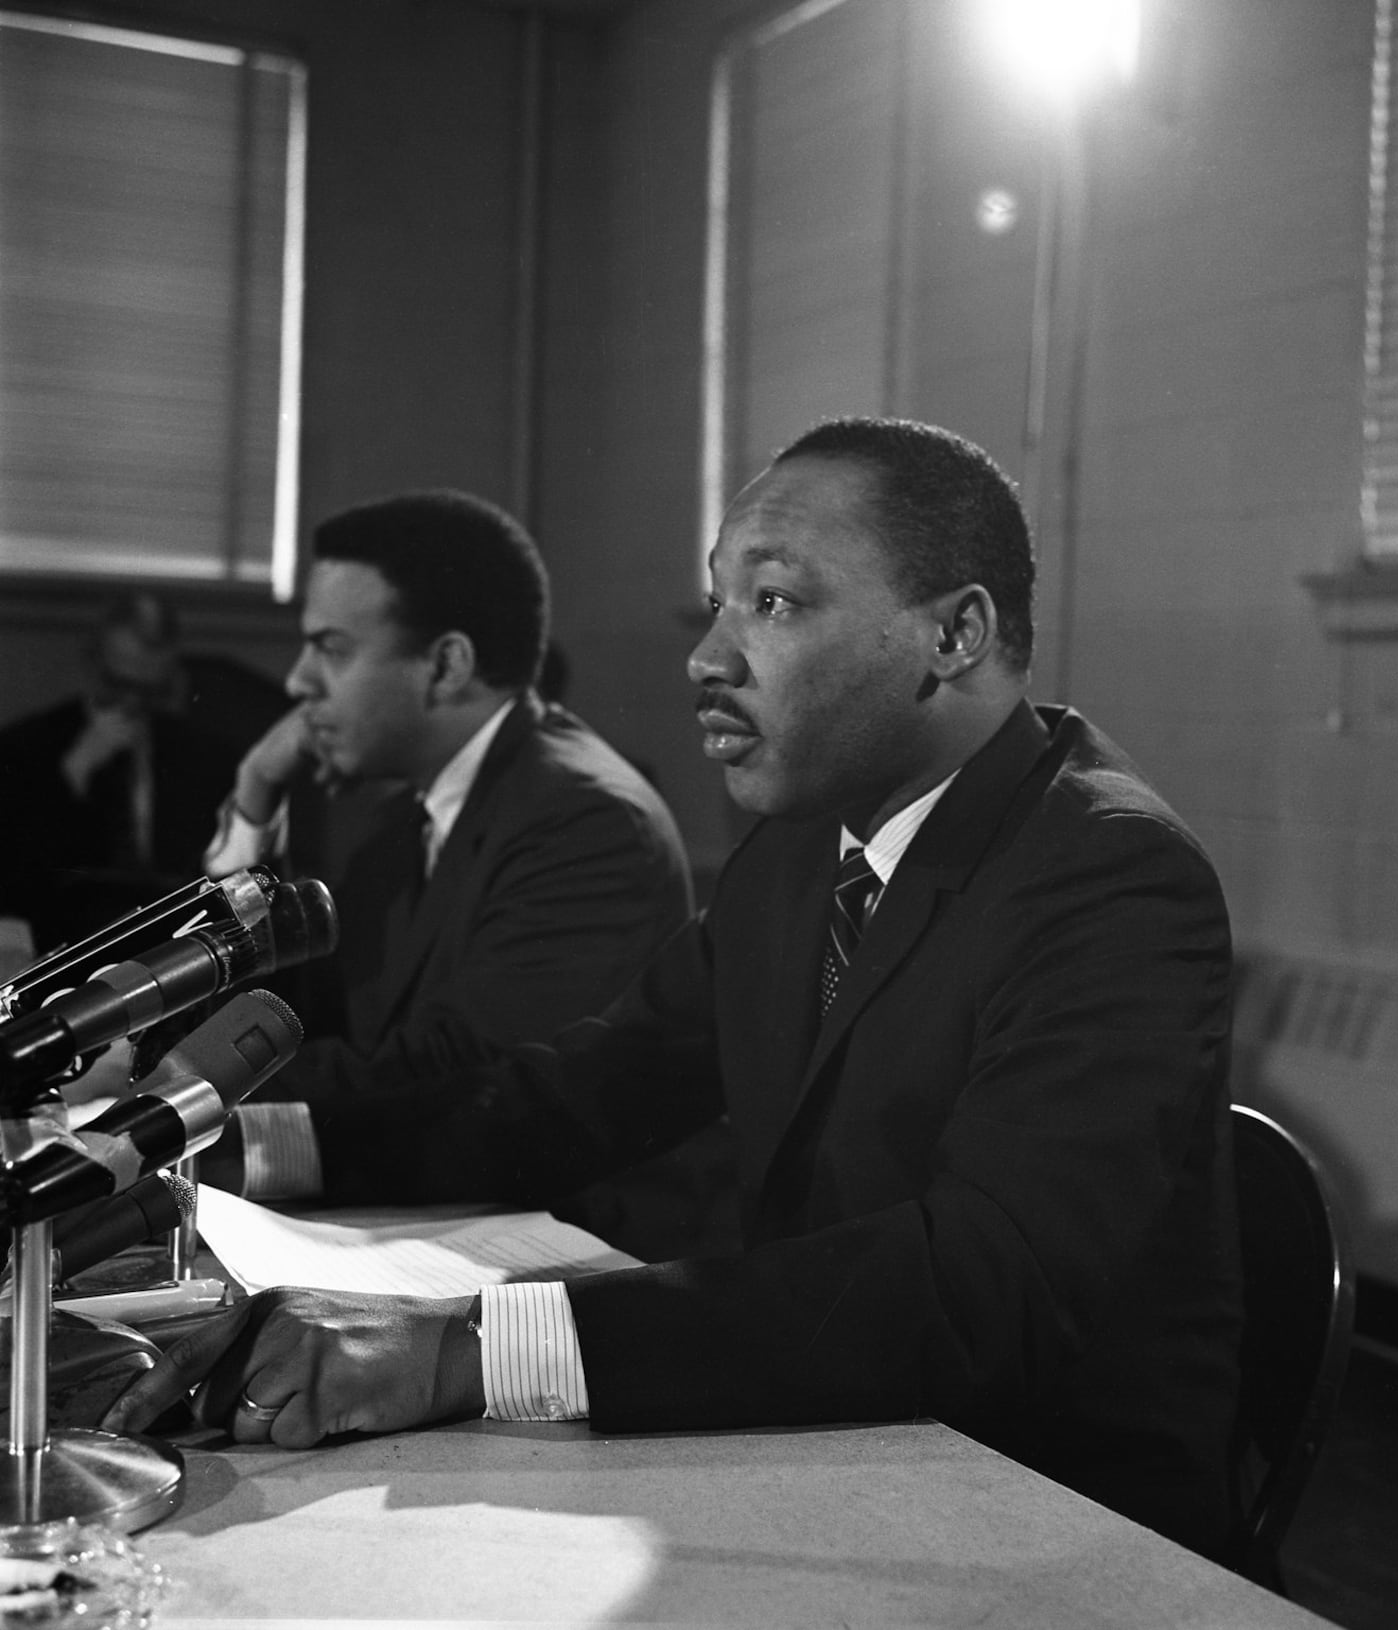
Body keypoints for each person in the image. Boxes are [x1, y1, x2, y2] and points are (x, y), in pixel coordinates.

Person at [107, 421, 1243, 1560]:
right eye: (715, 603)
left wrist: (465, 1345)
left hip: (1050, 1529)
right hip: (837, 1454)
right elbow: (575, 1094)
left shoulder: (1110, 875)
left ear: (954, 632)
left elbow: (982, 1283)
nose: (708, 656)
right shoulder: (805, 853)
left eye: (776, 604)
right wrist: (228, 1141)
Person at [199, 488, 694, 1202]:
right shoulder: (401, 817)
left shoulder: (589, 823)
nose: (297, 680)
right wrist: (254, 796)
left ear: (446, 666)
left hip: (539, 1253)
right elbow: (303, 1017)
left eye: (331, 649)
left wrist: (179, 1090)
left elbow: (445, 1072)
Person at [0, 591, 238, 954]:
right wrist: (73, 774)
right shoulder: (27, 747)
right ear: (93, 665)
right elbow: (17, 880)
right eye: (119, 685)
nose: (131, 703)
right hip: (65, 944)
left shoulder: (204, 755)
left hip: (171, 939)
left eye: (148, 692)